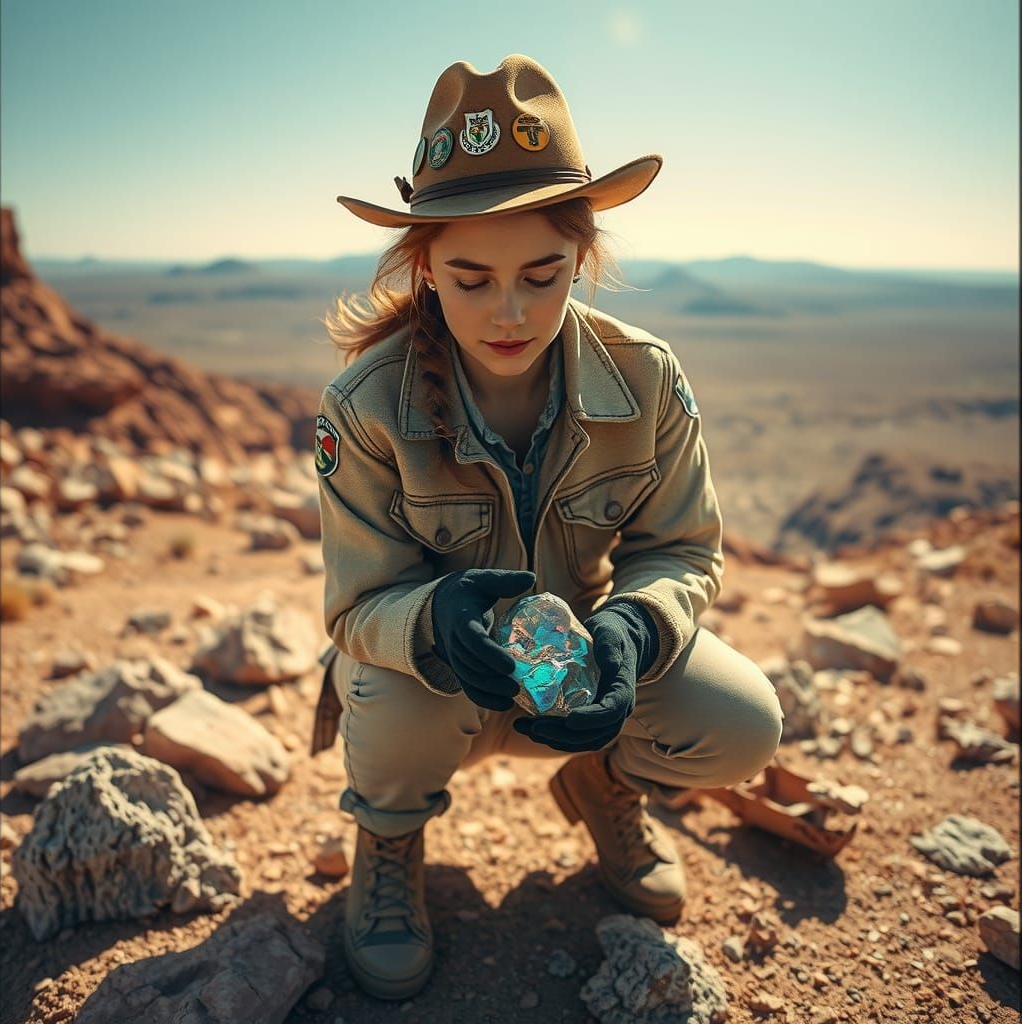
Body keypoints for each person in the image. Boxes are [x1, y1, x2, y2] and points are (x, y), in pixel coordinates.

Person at [310, 54, 784, 1001]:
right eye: (471, 276)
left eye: (543, 272)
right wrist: (434, 623)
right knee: (388, 691)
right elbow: (357, 606)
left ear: (585, 256)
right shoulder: (364, 406)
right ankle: (390, 841)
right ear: (424, 265)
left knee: (741, 723)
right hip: (443, 684)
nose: (510, 311)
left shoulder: (646, 377)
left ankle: (603, 781)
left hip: (574, 676)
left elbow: (682, 550)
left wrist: (630, 630)